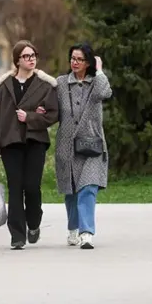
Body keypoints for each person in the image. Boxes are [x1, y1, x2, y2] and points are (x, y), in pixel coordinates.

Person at [0, 40, 59, 250]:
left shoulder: (45, 86)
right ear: (17, 60)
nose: (31, 59)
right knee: (15, 188)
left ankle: (34, 223)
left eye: (33, 55)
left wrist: (31, 117)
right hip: (10, 143)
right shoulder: (4, 87)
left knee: (32, 187)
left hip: (35, 142)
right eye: (26, 56)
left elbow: (53, 114)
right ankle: (17, 235)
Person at [53, 42, 112, 249]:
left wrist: (100, 70)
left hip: (92, 145)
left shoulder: (96, 82)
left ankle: (86, 233)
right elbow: (51, 109)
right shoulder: (61, 83)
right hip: (67, 145)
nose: (75, 62)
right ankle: (73, 228)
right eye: (73, 58)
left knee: (88, 187)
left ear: (88, 63)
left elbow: (106, 93)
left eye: (80, 59)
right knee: (71, 191)